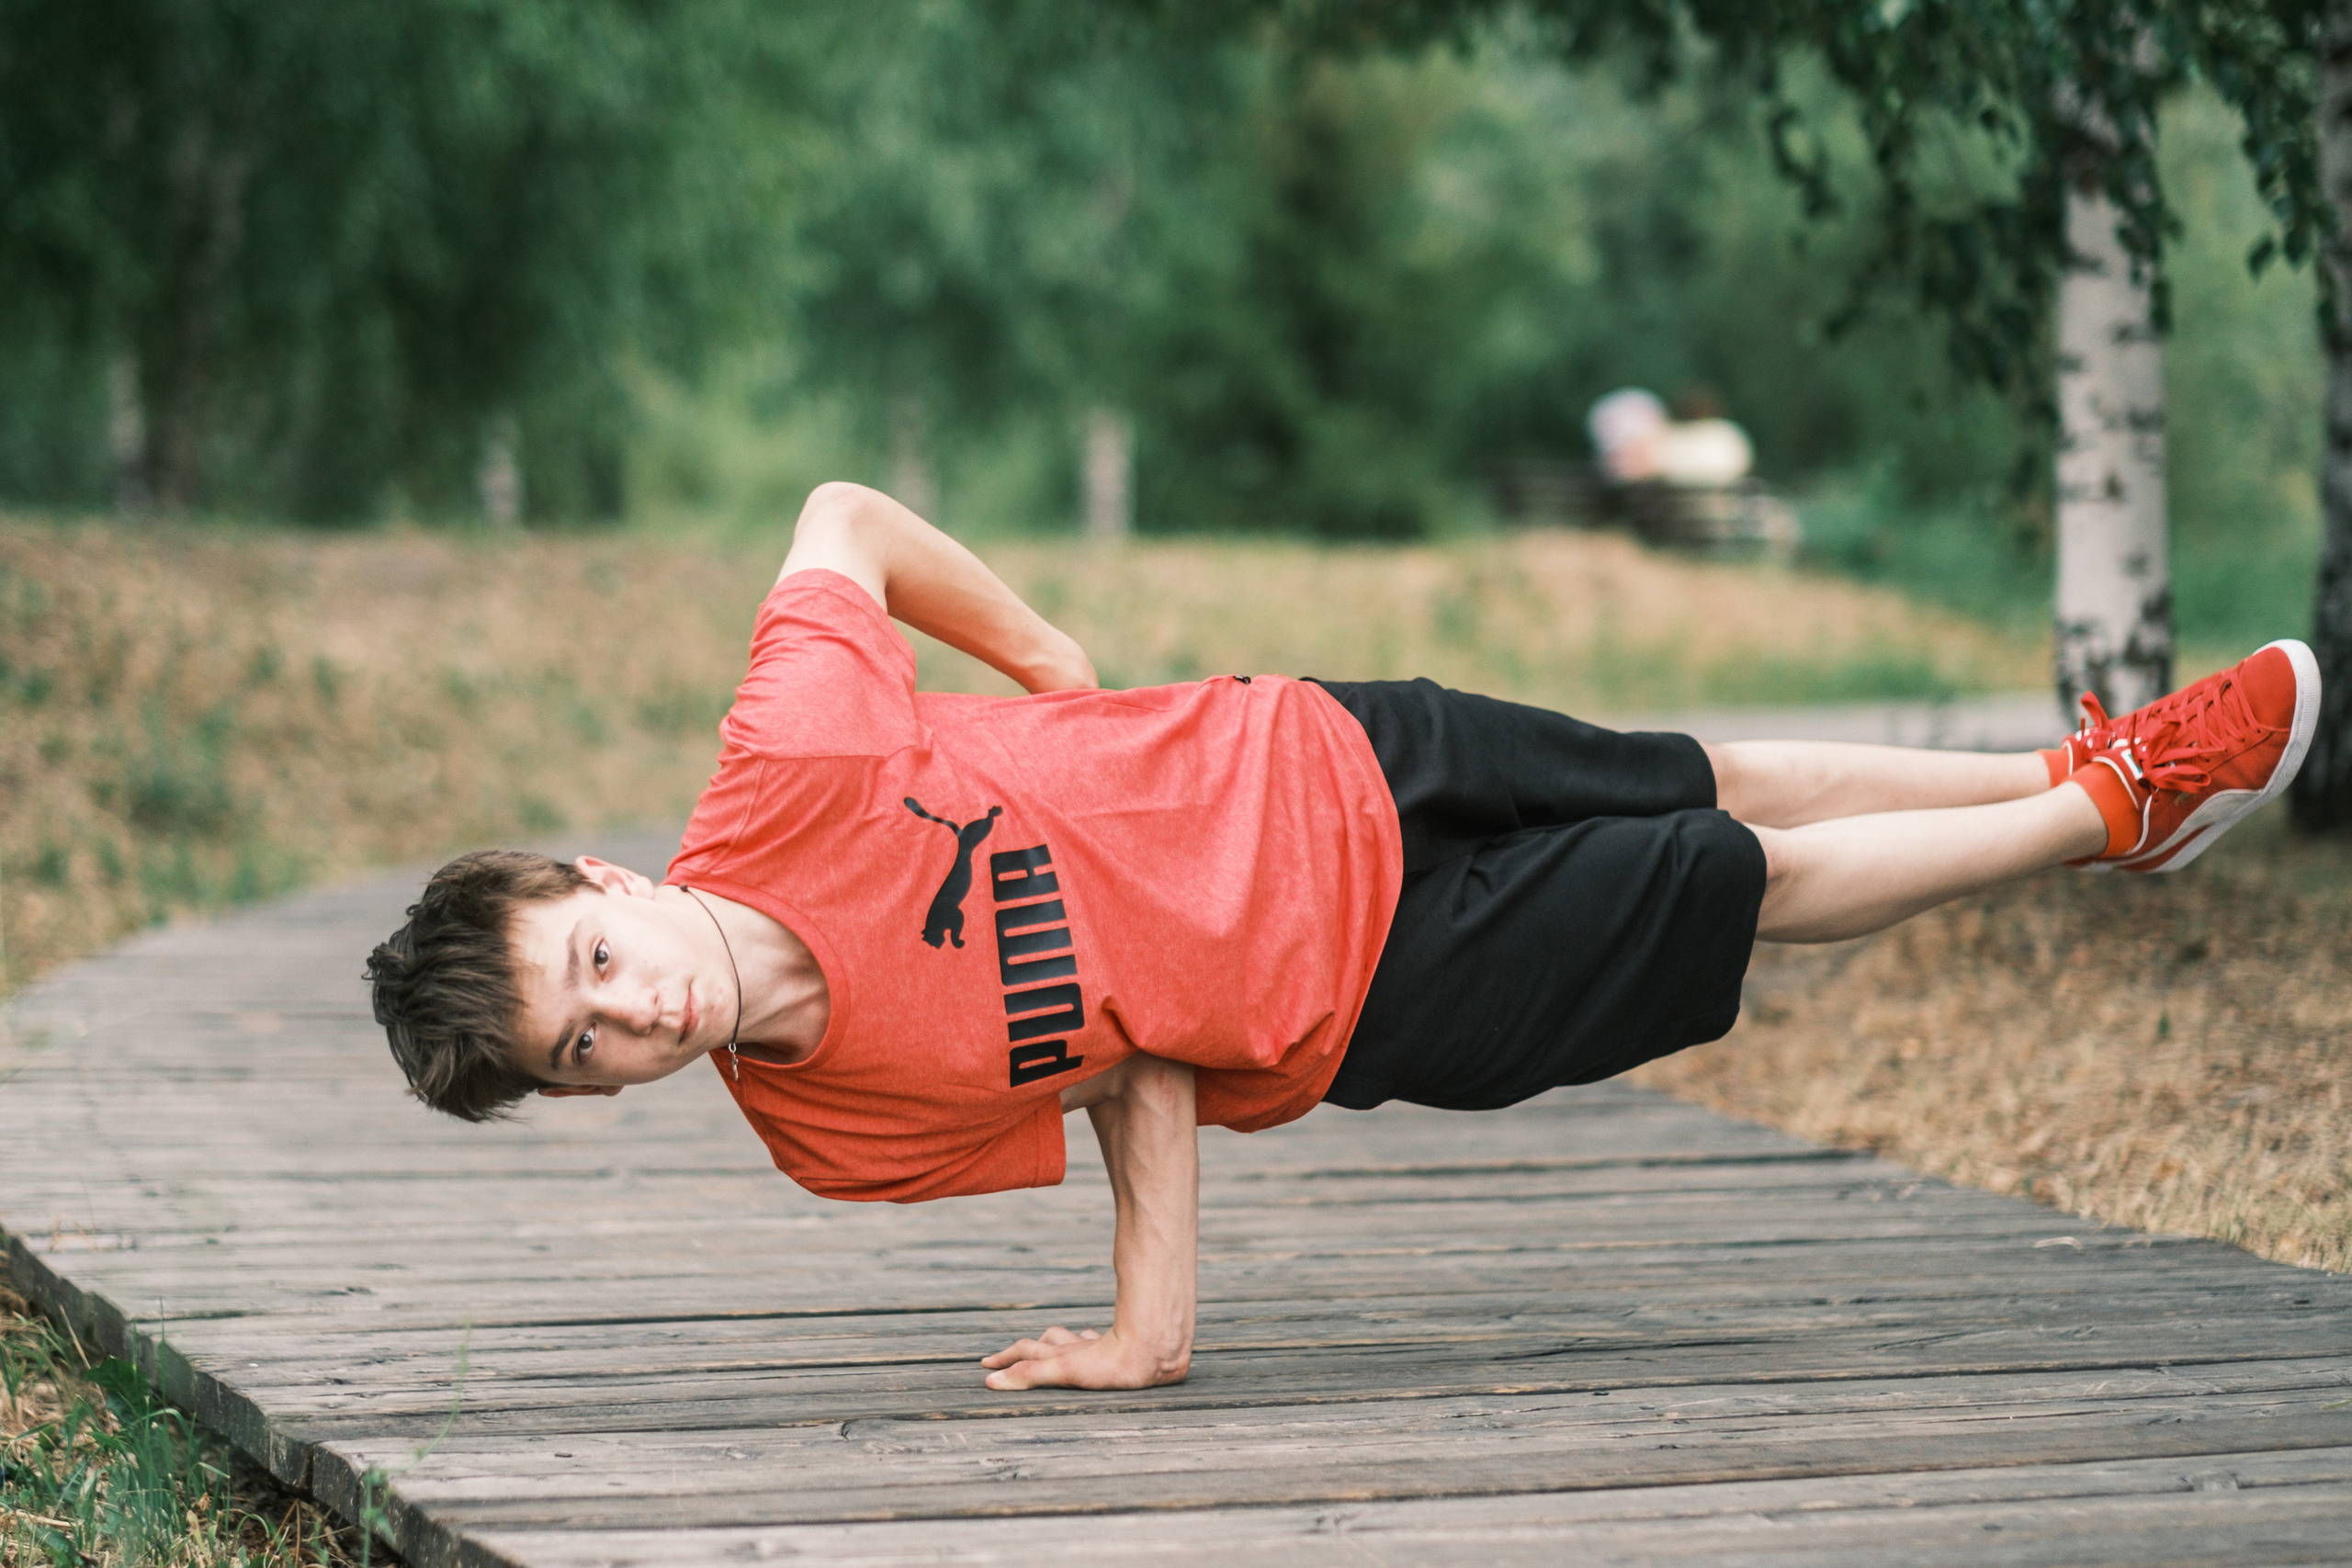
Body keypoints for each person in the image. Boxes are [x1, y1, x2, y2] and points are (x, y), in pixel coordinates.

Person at [364, 482, 2320, 1393]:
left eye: (593, 965)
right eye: (583, 1049)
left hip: (1319, 738)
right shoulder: (830, 1131)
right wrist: (1156, 1326)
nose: (631, 1014)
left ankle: (2077, 773)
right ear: (586, 1092)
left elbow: (838, 514)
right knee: (1725, 876)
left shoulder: (783, 756)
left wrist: (1039, 656)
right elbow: (1125, 1057)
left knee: (1690, 766)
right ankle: (2107, 814)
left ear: (599, 882)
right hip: (1363, 988)